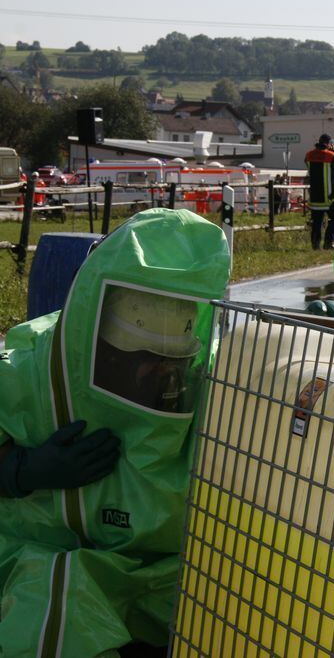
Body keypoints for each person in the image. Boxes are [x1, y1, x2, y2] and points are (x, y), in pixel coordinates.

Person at [0, 208, 230, 656]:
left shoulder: (219, 376)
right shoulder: (25, 369)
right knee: (54, 596)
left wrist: (324, 344)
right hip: (40, 559)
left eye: (171, 361)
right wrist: (19, 471)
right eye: (140, 356)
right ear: (95, 332)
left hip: (166, 572)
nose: (159, 373)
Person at [305, 133, 334, 250]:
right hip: (329, 196)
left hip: (315, 197)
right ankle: (328, 244)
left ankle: (315, 246)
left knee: (316, 222)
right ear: (328, 144)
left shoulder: (308, 155)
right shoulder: (331, 156)